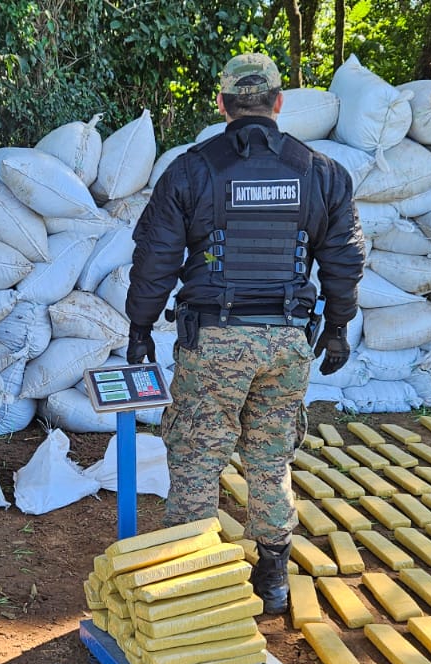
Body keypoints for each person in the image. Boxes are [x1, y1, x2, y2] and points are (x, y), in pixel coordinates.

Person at [124, 53, 365, 615]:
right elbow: (344, 259)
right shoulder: (321, 172)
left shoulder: (191, 170)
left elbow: (155, 259)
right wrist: (337, 326)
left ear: (222, 104)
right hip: (287, 341)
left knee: (197, 456)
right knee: (271, 457)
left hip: (215, 341)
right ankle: (274, 578)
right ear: (279, 103)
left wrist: (140, 327)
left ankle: (190, 580)